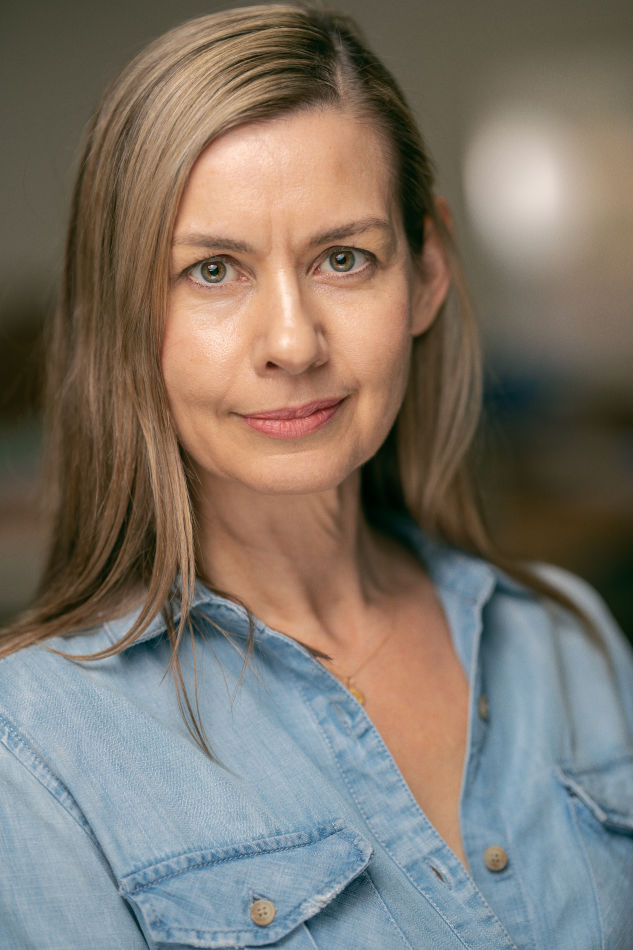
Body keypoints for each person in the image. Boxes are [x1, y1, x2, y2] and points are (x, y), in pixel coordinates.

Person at [1, 5, 632, 948]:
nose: (293, 344)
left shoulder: (565, 643)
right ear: (118, 309)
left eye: (343, 259)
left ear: (426, 271)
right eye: (213, 270)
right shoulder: (33, 748)